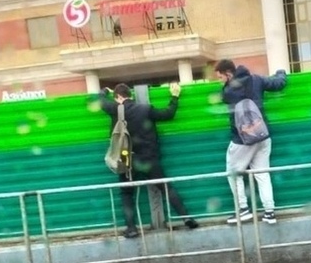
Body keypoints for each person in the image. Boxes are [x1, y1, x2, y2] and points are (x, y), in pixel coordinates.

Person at [99, 82, 199, 237]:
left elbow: (101, 102)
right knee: (166, 188)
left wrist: (104, 91)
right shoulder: (145, 109)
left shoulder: (114, 109)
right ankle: (187, 218)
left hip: (126, 157)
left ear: (118, 97)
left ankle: (131, 228)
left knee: (126, 193)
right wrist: (174, 96)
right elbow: (168, 114)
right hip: (149, 156)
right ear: (130, 95)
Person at [214, 59, 287, 224]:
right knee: (262, 174)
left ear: (228, 74)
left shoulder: (227, 92)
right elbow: (278, 84)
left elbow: (224, 96)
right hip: (262, 135)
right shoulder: (257, 80)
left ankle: (243, 209)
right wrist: (281, 72)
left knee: (233, 173)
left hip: (242, 140)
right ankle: (269, 212)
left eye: (220, 77)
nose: (220, 81)